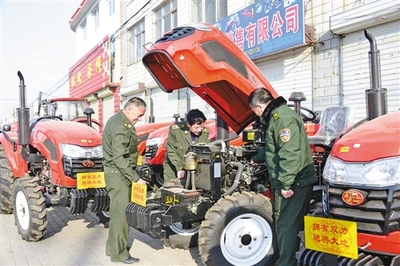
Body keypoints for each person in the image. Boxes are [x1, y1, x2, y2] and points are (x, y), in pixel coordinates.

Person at [248, 88, 317, 266]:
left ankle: (287, 262)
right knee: (286, 221)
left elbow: (289, 153)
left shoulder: (282, 118)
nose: (255, 115)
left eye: (253, 111)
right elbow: (273, 148)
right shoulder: (277, 116)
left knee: (286, 223)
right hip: (290, 179)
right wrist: (255, 158)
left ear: (259, 106)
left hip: (295, 181)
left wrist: (286, 184)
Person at [102, 97, 147, 264]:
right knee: (121, 216)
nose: (140, 118)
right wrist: (136, 178)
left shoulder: (118, 121)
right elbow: (119, 157)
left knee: (116, 214)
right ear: (129, 110)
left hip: (117, 173)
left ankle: (111, 248)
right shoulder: (121, 126)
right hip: (120, 175)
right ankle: (120, 254)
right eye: (139, 114)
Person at [163, 109, 210, 184]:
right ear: (188, 124)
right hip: (174, 167)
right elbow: (171, 151)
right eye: (197, 127)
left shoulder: (205, 133)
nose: (200, 130)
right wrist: (180, 169)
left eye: (202, 127)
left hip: (194, 170)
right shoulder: (176, 130)